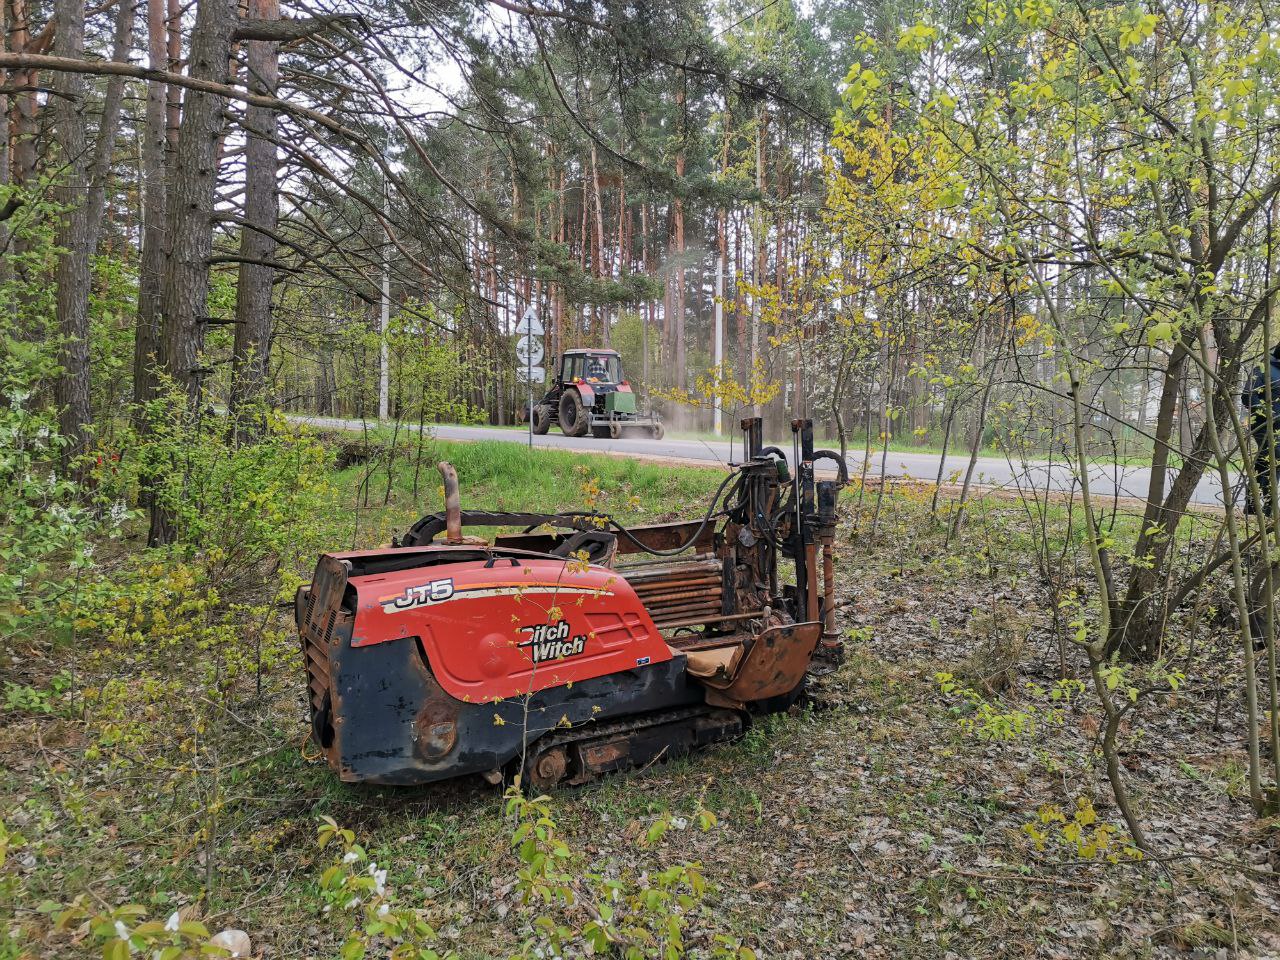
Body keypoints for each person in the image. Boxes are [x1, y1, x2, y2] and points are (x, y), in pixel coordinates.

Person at [1243, 343, 1280, 515]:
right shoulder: (1263, 367)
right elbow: (1248, 395)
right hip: (1263, 425)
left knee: (1265, 462)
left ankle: (1252, 504)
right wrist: (1268, 413)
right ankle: (1269, 507)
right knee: (1274, 459)